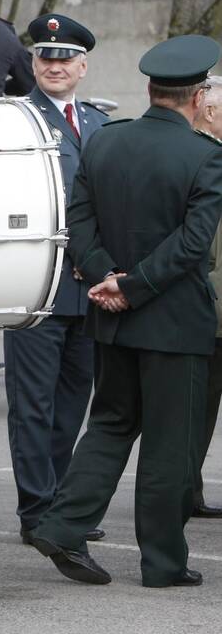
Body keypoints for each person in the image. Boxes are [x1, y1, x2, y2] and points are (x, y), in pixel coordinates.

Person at [30, 35, 222, 589]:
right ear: (197, 96)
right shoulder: (207, 157)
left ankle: (63, 525)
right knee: (168, 441)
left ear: (150, 90)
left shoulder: (105, 142)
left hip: (110, 315)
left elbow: (78, 221)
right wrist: (132, 285)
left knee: (110, 425)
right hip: (175, 321)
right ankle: (162, 563)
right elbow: (192, 246)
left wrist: (105, 277)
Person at [6, 15, 109, 546]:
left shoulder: (96, 123)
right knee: (34, 404)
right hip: (35, 283)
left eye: (65, 58)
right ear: (32, 63)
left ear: (83, 66)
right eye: (45, 56)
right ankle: (37, 509)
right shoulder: (13, 119)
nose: (54, 65)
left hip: (87, 288)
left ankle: (63, 505)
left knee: (72, 401)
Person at [193, 75, 222, 519]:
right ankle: (184, 489)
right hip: (207, 307)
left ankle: (188, 490)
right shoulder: (204, 158)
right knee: (196, 412)